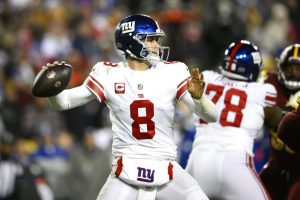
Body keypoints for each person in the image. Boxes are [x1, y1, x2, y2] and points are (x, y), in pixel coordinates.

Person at [41, 14, 218, 200]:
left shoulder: (173, 71)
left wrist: (199, 99)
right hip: (126, 170)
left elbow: (212, 116)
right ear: (132, 41)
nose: (157, 45)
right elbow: (63, 102)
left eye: (156, 40)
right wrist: (52, 89)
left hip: (165, 167)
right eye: (151, 40)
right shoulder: (108, 73)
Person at [185, 40, 282, 200]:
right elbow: (278, 118)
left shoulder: (207, 77)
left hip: (199, 161)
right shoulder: (263, 91)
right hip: (234, 162)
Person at [259, 43, 300, 200]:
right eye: (290, 68)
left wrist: (278, 116)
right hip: (277, 162)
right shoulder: (269, 82)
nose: (294, 74)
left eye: (298, 69)